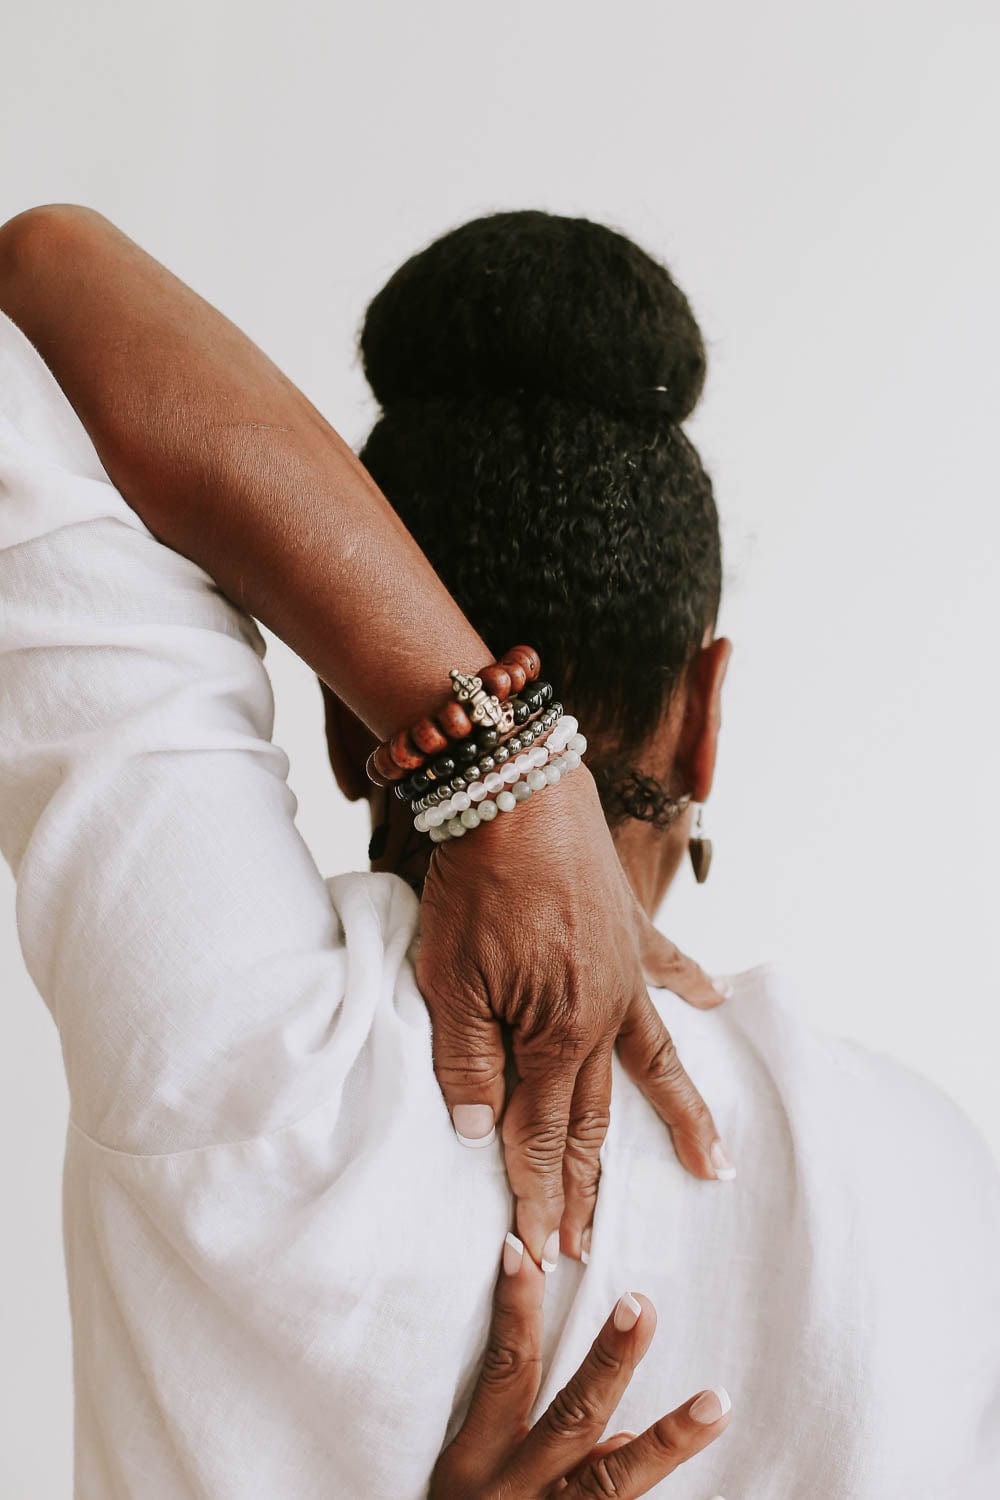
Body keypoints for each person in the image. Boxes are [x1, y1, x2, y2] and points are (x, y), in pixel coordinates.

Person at [0, 205, 997, 1499]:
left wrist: (493, 760)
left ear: (336, 714)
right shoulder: (931, 1186)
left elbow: (44, 280)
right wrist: (527, 783)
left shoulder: (250, 1041)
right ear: (706, 717)